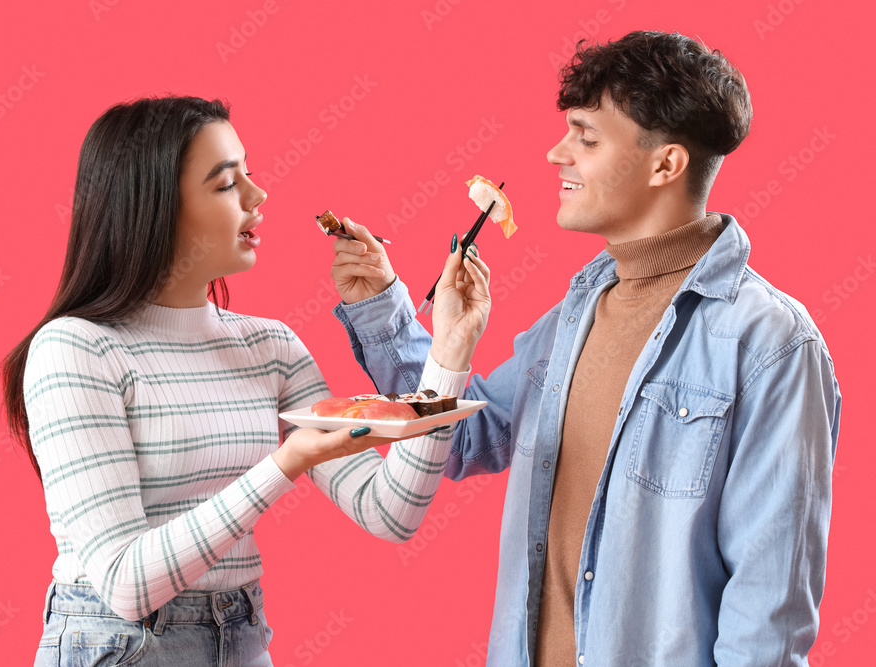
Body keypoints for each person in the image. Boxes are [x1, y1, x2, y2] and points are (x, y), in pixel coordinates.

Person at [329, 31, 841, 666]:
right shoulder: (577, 312)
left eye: (587, 139)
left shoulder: (772, 345)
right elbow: (460, 438)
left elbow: (769, 612)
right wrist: (388, 308)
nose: (555, 154)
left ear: (665, 165)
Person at [0, 95, 491, 666]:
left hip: (241, 637)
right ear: (155, 206)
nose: (259, 198)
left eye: (249, 176)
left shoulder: (268, 345)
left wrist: (451, 348)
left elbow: (388, 511)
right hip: (122, 646)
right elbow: (125, 585)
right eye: (226, 183)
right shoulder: (75, 349)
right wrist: (285, 465)